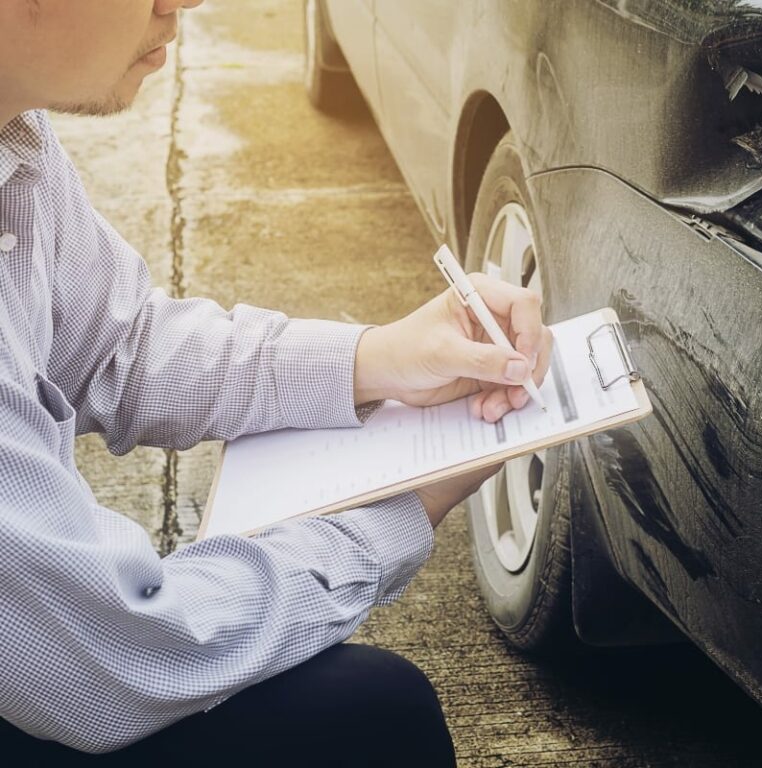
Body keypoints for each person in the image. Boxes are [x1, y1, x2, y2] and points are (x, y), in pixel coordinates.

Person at [0, 1, 553, 764]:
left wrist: (379, 359)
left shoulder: (14, 136)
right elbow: (116, 653)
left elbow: (118, 345)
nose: (184, 2)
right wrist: (397, 511)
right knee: (375, 718)